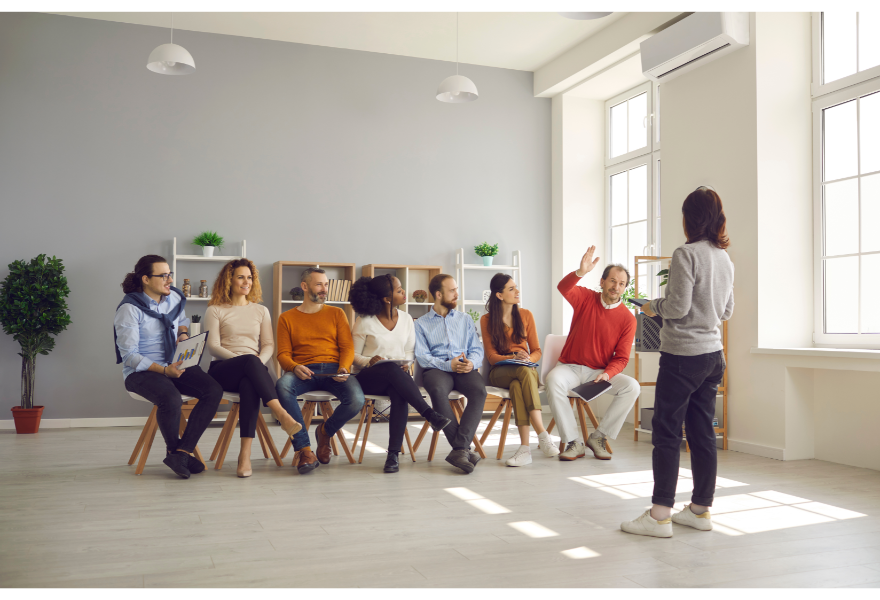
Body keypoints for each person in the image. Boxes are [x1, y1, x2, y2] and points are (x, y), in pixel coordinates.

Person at [621, 186, 734, 538]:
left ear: (690, 218)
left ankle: (659, 516)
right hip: (713, 356)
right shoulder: (724, 258)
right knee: (702, 433)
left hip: (683, 357)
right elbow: (727, 310)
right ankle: (700, 511)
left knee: (667, 433)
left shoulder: (687, 254)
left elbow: (678, 308)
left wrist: (653, 306)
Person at [114, 255, 222, 479]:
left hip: (173, 363)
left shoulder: (172, 297)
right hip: (141, 372)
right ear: (145, 279)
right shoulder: (130, 309)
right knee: (170, 397)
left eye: (170, 274)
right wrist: (164, 371)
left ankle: (182, 452)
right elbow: (130, 356)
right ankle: (173, 450)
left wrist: (183, 333)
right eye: (163, 275)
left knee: (213, 391)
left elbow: (181, 318)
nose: (170, 280)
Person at [204, 259, 302, 478]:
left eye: (249, 277)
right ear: (229, 280)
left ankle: (244, 455)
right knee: (250, 362)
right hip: (222, 369)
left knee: (250, 383)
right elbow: (213, 346)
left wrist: (254, 362)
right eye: (240, 277)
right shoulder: (215, 310)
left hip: (252, 370)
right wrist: (247, 361)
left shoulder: (261, 311)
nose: (246, 281)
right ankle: (280, 413)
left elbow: (268, 345)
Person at [349, 274, 453, 473]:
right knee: (389, 369)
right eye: (398, 290)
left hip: (397, 377)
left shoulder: (406, 319)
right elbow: (353, 355)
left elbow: (408, 351)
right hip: (368, 377)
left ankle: (392, 455)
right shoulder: (364, 321)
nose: (404, 292)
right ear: (387, 299)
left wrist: (406, 362)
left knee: (399, 392)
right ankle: (429, 413)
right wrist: (369, 360)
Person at [546, 248, 640, 461]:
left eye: (622, 284)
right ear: (602, 281)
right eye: (612, 281)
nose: (616, 287)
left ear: (625, 288)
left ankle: (599, 437)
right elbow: (563, 287)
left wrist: (607, 374)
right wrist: (580, 272)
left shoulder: (628, 319)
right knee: (553, 380)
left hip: (598, 373)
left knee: (632, 386)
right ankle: (573, 441)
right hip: (569, 367)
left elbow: (622, 357)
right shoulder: (585, 298)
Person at [275, 267, 365, 474]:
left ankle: (325, 431)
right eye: (319, 285)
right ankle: (305, 450)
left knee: (357, 400)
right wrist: (295, 367)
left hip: (335, 369)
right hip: (303, 371)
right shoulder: (286, 318)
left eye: (326, 284)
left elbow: (347, 347)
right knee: (282, 385)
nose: (324, 289)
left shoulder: (337, 313)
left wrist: (344, 367)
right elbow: (283, 354)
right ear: (305, 287)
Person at [480, 273, 558, 466]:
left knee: (518, 385)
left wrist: (528, 358)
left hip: (524, 369)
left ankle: (525, 449)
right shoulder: (486, 320)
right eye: (511, 289)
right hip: (499, 372)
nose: (517, 291)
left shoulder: (526, 315)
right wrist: (513, 358)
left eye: (516, 287)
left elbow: (537, 350)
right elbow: (491, 357)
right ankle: (542, 433)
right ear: (499, 295)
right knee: (523, 373)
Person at [414, 274, 487, 474]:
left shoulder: (465, 319)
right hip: (437, 369)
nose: (457, 294)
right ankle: (462, 449)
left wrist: (471, 363)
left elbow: (477, 349)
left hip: (464, 367)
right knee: (437, 390)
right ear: (438, 295)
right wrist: (448, 365)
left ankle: (459, 449)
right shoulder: (420, 323)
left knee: (479, 391)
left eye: (456, 289)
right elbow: (422, 356)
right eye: (452, 290)